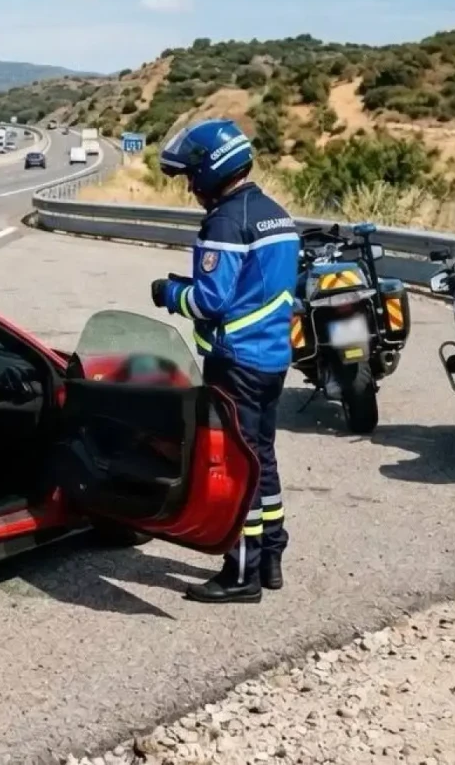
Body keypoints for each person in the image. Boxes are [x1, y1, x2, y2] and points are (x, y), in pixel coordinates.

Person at [148, 119, 299, 604]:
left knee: (237, 467)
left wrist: (170, 293)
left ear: (213, 171)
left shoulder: (226, 221)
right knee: (263, 458)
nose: (191, 186)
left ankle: (241, 575)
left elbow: (210, 301)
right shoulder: (275, 214)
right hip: (272, 359)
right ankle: (271, 553)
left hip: (235, 360)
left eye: (193, 175)